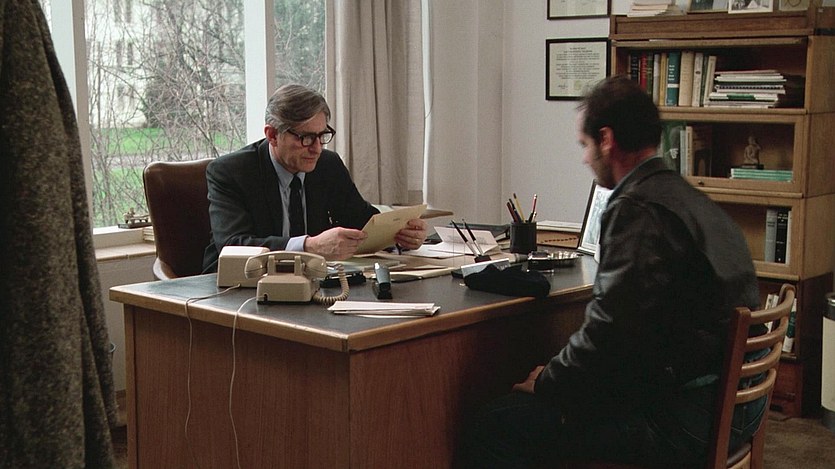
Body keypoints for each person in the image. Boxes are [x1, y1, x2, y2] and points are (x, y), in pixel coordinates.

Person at [457, 75, 761, 468]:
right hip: (738, 406)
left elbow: (610, 331)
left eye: (584, 145)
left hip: (684, 420)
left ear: (606, 139)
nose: (584, 159)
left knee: (495, 424)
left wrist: (548, 381)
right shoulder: (690, 199)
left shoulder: (638, 207)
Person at [202, 84, 427, 272]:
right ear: (272, 135)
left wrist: (400, 236)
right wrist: (309, 246)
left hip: (315, 283)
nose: (317, 148)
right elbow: (233, 245)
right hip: (236, 288)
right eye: (306, 138)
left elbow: (361, 222)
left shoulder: (327, 165)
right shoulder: (231, 172)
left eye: (322, 135)